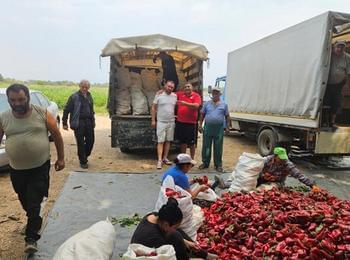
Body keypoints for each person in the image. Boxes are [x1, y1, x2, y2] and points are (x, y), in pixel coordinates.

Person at [0, 84, 65, 254]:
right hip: (17, 169)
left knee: (34, 200)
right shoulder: (4, 117)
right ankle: (33, 220)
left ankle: (31, 238)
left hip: (40, 167)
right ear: (9, 100)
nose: (17, 103)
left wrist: (61, 158)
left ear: (27, 97)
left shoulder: (42, 113)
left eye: (21, 99)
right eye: (13, 100)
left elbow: (56, 135)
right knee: (25, 200)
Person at [131, 198, 217, 260]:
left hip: (157, 242)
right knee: (176, 236)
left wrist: (186, 241)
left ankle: (206, 255)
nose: (175, 228)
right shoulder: (154, 237)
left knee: (178, 233)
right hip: (148, 254)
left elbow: (175, 231)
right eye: (175, 226)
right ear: (166, 224)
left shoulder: (155, 216)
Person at [214, 147, 320, 192]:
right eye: (280, 158)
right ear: (275, 156)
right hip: (262, 178)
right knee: (247, 180)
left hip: (276, 182)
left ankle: (250, 194)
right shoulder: (267, 160)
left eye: (284, 158)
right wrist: (263, 174)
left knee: (264, 190)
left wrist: (311, 185)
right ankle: (226, 184)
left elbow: (298, 175)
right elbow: (254, 168)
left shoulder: (288, 164)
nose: (283, 160)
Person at [62, 80, 95, 169]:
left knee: (91, 141)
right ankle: (83, 161)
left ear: (89, 87)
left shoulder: (89, 96)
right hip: (78, 122)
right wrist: (64, 122)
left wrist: (93, 121)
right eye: (83, 87)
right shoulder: (74, 97)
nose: (84, 89)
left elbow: (92, 110)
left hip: (88, 121)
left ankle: (84, 154)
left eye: (86, 87)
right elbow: (66, 110)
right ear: (80, 87)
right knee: (80, 142)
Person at [198, 87, 231, 172]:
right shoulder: (207, 104)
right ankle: (205, 163)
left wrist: (227, 127)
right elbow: (202, 115)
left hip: (219, 129)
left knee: (218, 147)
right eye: (213, 93)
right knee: (206, 146)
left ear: (220, 94)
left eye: (217, 93)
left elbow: (227, 117)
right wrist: (200, 125)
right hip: (208, 127)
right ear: (212, 94)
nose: (215, 94)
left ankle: (218, 165)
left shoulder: (224, 104)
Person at [151, 80, 177, 169]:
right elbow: (153, 108)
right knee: (160, 141)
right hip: (161, 122)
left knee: (168, 141)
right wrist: (153, 120)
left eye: (172, 87)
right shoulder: (159, 95)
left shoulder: (175, 96)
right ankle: (159, 160)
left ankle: (165, 158)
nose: (170, 88)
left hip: (171, 122)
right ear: (165, 86)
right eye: (168, 86)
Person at [324, 40, 350, 128]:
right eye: (338, 46)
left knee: (336, 103)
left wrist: (346, 85)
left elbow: (348, 72)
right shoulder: (328, 55)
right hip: (326, 84)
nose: (340, 49)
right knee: (326, 103)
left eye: (342, 47)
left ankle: (332, 122)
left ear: (344, 48)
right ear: (334, 47)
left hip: (339, 84)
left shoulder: (347, 57)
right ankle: (324, 121)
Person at [175, 83, 202, 159]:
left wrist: (184, 103)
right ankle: (183, 158)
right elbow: (171, 93)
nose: (187, 88)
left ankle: (192, 158)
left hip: (191, 124)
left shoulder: (196, 96)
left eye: (188, 86)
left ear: (192, 88)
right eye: (185, 87)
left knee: (191, 143)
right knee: (183, 142)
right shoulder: (180, 94)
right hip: (181, 122)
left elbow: (196, 106)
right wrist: (161, 91)